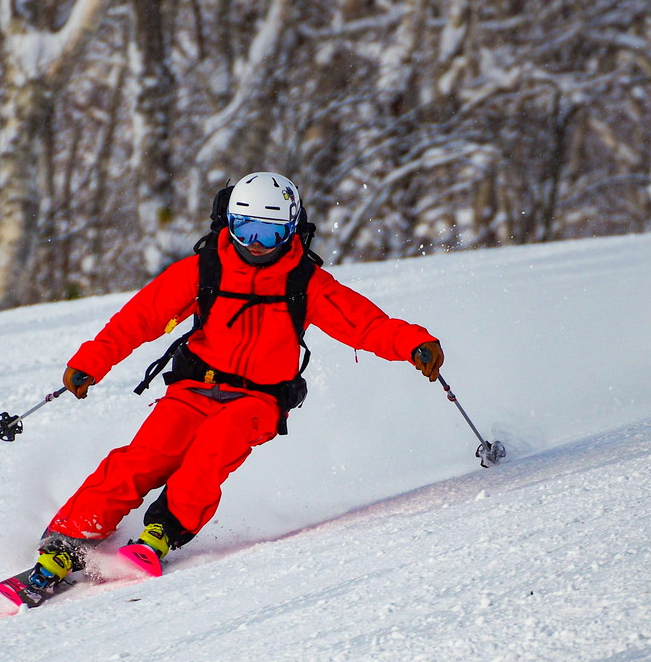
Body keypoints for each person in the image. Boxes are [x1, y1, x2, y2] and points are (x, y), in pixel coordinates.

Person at [24, 171, 443, 596]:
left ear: (291, 229)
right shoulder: (204, 270)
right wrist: (90, 363)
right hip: (193, 387)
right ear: (229, 221)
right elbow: (138, 320)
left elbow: (364, 324)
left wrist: (413, 344)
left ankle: (160, 534)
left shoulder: (304, 282)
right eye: (246, 227)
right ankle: (68, 541)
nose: (256, 242)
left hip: (258, 399)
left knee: (210, 453)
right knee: (144, 456)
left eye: (270, 231)